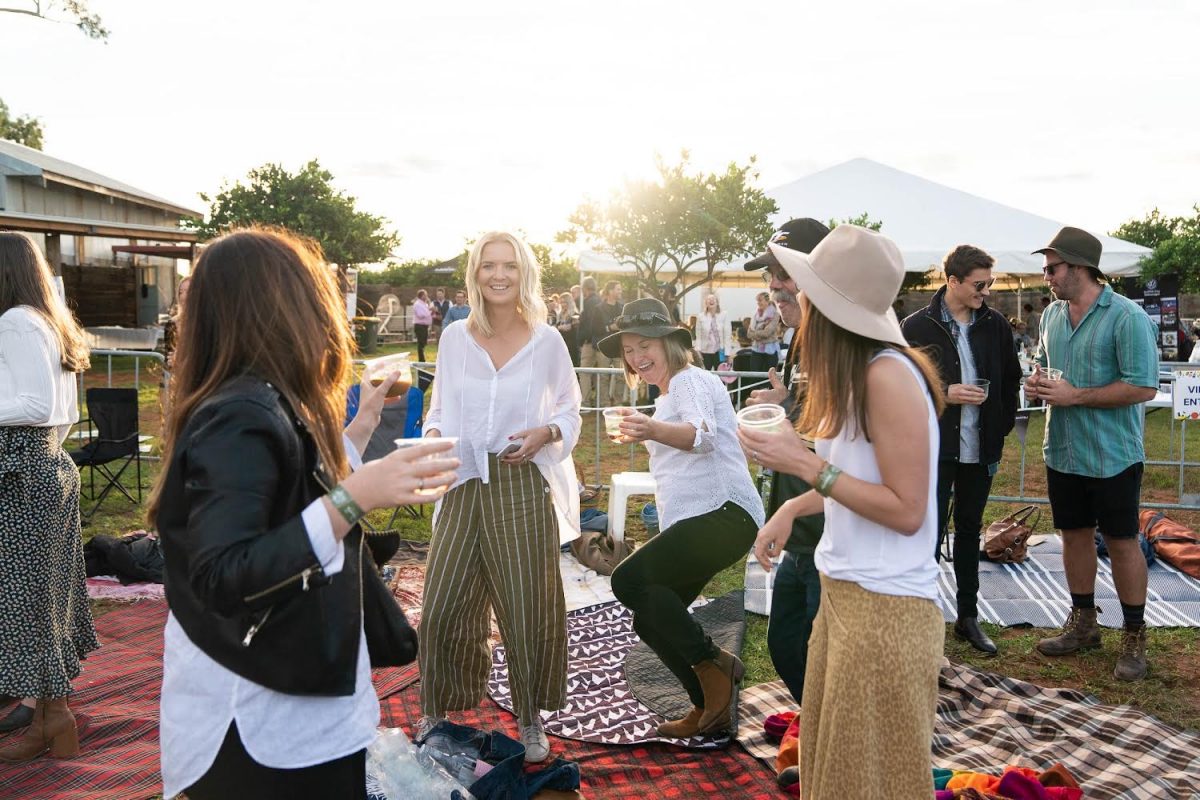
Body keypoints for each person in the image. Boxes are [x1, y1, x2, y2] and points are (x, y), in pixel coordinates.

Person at [150, 228, 458, 800]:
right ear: (278, 306)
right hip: (259, 725)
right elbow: (226, 573)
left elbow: (292, 488)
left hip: (288, 700)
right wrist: (356, 497)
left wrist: (362, 426)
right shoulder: (239, 414)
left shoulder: (262, 397)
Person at [739, 225, 946, 799]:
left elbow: (907, 511)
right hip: (846, 596)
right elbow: (854, 482)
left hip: (886, 609)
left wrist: (805, 467)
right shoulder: (857, 374)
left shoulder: (888, 375)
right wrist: (790, 510)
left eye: (803, 288)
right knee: (831, 770)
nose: (793, 298)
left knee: (868, 782)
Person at [418, 231, 581, 763]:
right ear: (475, 273)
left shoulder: (547, 341)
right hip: (463, 480)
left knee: (526, 605)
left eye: (508, 265)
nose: (498, 274)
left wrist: (546, 435)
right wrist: (430, 440)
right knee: (442, 602)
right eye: (488, 265)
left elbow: (569, 409)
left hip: (520, 481)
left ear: (524, 272)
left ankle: (532, 718)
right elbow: (438, 409)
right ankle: (436, 709)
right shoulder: (453, 338)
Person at [600, 298, 764, 738]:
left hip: (722, 514)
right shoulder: (669, 394)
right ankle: (706, 705)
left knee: (627, 581)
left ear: (671, 343)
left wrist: (652, 429)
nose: (637, 356)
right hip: (705, 521)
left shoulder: (690, 380)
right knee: (649, 617)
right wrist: (653, 425)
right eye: (629, 350)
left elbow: (704, 438)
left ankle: (715, 663)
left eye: (645, 344)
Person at [1024, 226, 1158, 681]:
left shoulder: (1127, 317)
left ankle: (1135, 634)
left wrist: (1076, 395)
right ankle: (1084, 622)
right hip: (1063, 449)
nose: (1047, 276)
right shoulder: (1051, 316)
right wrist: (1038, 383)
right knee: (1074, 535)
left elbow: (1143, 385)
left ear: (1081, 267)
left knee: (1121, 541)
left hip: (1112, 453)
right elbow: (1047, 367)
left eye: (1053, 267)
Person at [0, 232, 97, 761]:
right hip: (41, 468)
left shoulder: (15, 321)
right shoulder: (48, 320)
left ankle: (52, 721)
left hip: (23, 474)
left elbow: (36, 403)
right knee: (43, 600)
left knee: (30, 604)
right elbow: (63, 413)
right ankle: (50, 720)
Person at [901, 245, 1021, 655]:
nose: (985, 292)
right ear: (951, 281)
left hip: (981, 447)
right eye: (978, 284)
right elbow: (898, 389)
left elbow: (1010, 381)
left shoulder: (996, 326)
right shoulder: (915, 326)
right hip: (933, 447)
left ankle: (967, 617)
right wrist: (943, 393)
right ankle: (920, 619)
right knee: (927, 534)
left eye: (989, 284)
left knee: (970, 530)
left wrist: (1001, 428)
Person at [742, 217, 831, 705]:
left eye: (783, 272)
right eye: (769, 274)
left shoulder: (843, 342)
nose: (774, 284)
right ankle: (817, 734)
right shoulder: (800, 335)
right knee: (785, 646)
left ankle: (832, 756)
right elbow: (811, 412)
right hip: (798, 525)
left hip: (830, 527)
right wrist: (783, 404)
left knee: (824, 658)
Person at [579, 280, 624, 408]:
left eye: (620, 289)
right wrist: (609, 328)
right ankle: (604, 404)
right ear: (610, 291)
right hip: (602, 347)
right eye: (618, 289)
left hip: (618, 347)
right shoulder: (598, 309)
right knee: (603, 377)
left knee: (621, 376)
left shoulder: (622, 308)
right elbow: (594, 329)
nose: (620, 292)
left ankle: (618, 404)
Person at [695, 292, 733, 370]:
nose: (711, 301)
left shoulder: (724, 315)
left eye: (713, 299)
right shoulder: (700, 316)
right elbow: (698, 336)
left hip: (720, 351)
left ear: (717, 302)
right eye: (709, 299)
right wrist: (698, 351)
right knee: (705, 375)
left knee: (720, 376)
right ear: (706, 303)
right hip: (705, 351)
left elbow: (727, 335)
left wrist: (728, 353)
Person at [746, 291, 782, 371]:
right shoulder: (755, 315)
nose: (758, 303)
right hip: (756, 349)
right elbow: (748, 334)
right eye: (757, 301)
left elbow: (767, 333)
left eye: (760, 300)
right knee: (755, 375)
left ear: (767, 301)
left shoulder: (775, 314)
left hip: (770, 351)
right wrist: (758, 335)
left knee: (768, 377)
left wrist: (754, 334)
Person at [162, 275, 191, 371]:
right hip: (178, 378)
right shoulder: (172, 323)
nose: (183, 296)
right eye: (180, 292)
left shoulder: (207, 322)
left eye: (188, 291)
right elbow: (168, 355)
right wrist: (171, 362)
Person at [556, 290, 581, 367]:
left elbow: (576, 330)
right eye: (561, 302)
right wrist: (559, 327)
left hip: (571, 346)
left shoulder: (575, 315)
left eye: (565, 302)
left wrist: (570, 326)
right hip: (561, 345)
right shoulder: (559, 315)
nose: (563, 305)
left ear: (569, 303)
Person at [411, 289, 433, 362]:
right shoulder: (417, 304)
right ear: (421, 296)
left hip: (424, 326)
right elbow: (421, 315)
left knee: (423, 342)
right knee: (421, 343)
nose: (426, 296)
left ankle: (422, 358)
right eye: (425, 295)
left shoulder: (425, 304)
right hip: (419, 326)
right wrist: (430, 311)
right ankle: (421, 360)